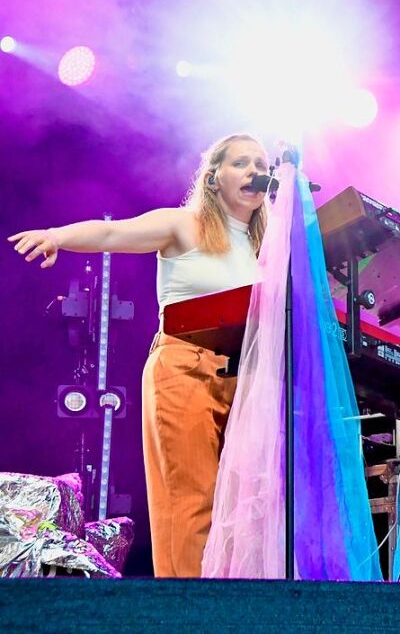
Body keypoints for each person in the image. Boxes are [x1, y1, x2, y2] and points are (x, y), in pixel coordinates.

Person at [8, 133, 269, 578]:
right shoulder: (182, 224)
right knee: (191, 498)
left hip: (246, 378)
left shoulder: (269, 244)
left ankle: (239, 605)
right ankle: (191, 614)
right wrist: (56, 236)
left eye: (261, 164)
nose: (255, 172)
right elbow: (112, 232)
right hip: (186, 366)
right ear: (213, 178)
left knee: (247, 502)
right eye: (241, 163)